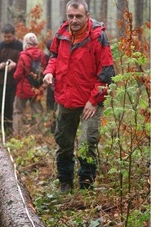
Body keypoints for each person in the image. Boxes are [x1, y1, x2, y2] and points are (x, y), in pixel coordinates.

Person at [43, 0, 115, 193]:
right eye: (71, 16)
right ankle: (65, 183)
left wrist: (93, 101)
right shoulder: (61, 34)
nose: (74, 20)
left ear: (87, 16)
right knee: (64, 143)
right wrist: (49, 72)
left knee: (87, 143)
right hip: (65, 99)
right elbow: (54, 57)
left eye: (78, 16)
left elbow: (107, 73)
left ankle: (86, 185)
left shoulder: (98, 37)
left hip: (90, 101)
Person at [12, 32, 47, 137]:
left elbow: (18, 74)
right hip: (37, 88)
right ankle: (38, 134)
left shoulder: (23, 56)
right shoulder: (42, 55)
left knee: (18, 111)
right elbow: (44, 70)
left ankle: (18, 134)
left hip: (23, 88)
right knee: (37, 112)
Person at [0, 24, 23, 134]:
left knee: (13, 106)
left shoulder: (20, 46)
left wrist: (15, 65)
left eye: (9, 37)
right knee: (2, 105)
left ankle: (13, 129)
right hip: (2, 80)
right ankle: (4, 128)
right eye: (5, 37)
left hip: (16, 82)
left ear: (14, 35)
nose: (6, 39)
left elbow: (25, 63)